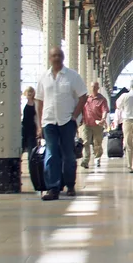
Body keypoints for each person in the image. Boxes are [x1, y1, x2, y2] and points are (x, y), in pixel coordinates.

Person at [36, 47, 88, 200]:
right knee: (51, 154)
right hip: (49, 121)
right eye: (53, 55)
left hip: (67, 121)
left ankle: (70, 185)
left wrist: (75, 116)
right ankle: (53, 188)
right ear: (49, 58)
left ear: (63, 57)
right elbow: (39, 101)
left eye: (59, 55)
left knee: (68, 155)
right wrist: (40, 124)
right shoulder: (44, 78)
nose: (56, 58)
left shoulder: (72, 76)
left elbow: (83, 96)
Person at [80, 81, 109, 169]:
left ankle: (97, 157)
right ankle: (85, 160)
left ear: (98, 88)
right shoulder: (86, 99)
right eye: (92, 87)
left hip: (97, 125)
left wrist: (103, 119)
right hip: (86, 124)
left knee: (97, 143)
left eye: (95, 87)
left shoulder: (102, 99)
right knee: (85, 142)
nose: (93, 89)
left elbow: (104, 110)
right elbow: (81, 108)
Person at [21, 87, 39, 160]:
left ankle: (32, 168)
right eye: (28, 92)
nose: (29, 93)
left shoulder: (36, 103)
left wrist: (39, 128)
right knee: (20, 148)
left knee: (31, 150)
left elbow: (37, 116)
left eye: (31, 92)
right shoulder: (22, 102)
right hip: (22, 127)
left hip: (32, 128)